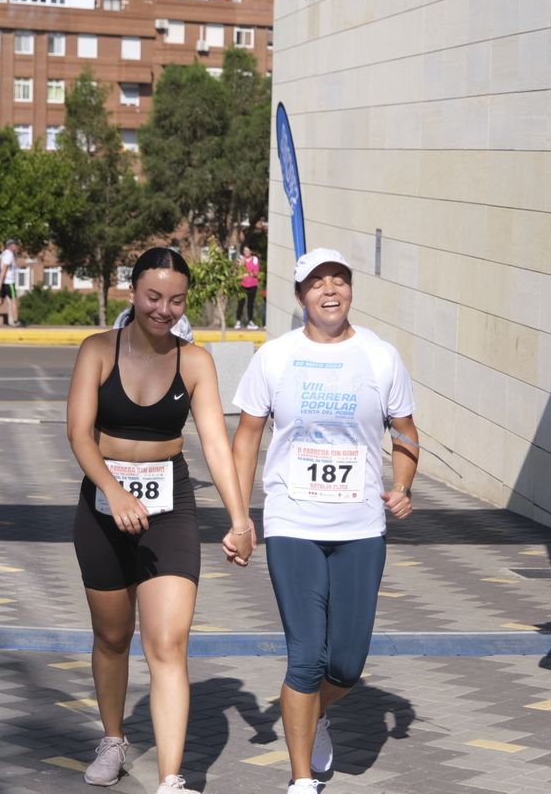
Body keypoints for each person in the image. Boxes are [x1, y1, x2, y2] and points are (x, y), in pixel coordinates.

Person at [66, 247, 256, 794]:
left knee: (168, 642)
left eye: (175, 300)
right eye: (153, 296)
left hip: (170, 507)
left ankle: (172, 778)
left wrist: (240, 516)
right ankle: (113, 738)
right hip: (103, 508)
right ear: (133, 293)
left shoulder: (194, 362)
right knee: (112, 634)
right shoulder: (97, 350)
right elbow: (79, 433)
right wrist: (114, 490)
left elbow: (217, 446)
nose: (163, 309)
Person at [231, 248, 419, 794]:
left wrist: (402, 486)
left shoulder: (380, 356)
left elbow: (405, 433)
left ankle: (310, 715)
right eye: (317, 283)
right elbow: (247, 438)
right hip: (292, 521)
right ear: (300, 296)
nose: (329, 290)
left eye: (339, 280)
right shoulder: (275, 356)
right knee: (307, 654)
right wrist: (241, 514)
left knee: (348, 662)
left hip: (360, 526)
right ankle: (301, 778)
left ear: (351, 290)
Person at [237, 244, 262, 329]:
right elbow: (239, 272)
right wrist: (244, 268)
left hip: (252, 285)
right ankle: (238, 321)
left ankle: (250, 321)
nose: (245, 252)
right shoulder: (241, 259)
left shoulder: (255, 260)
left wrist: (246, 269)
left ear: (251, 251)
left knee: (250, 304)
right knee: (240, 303)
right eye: (244, 251)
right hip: (242, 285)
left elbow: (255, 273)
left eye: (247, 250)